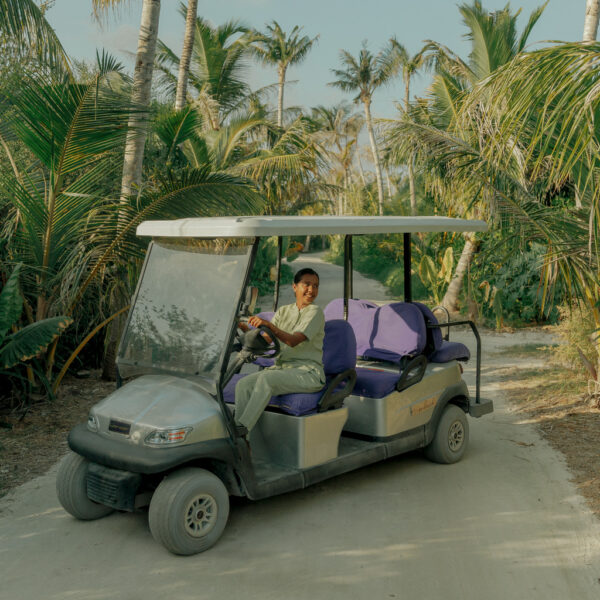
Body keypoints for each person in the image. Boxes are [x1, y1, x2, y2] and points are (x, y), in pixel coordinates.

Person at [234, 268, 325, 436]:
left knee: (267, 379)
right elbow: (267, 340)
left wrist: (269, 325)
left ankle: (240, 430)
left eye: (315, 286)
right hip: (284, 369)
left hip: (308, 373)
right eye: (307, 284)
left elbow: (292, 340)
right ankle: (243, 440)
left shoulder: (315, 312)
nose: (311, 290)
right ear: (295, 287)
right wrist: (244, 328)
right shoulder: (283, 311)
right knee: (243, 385)